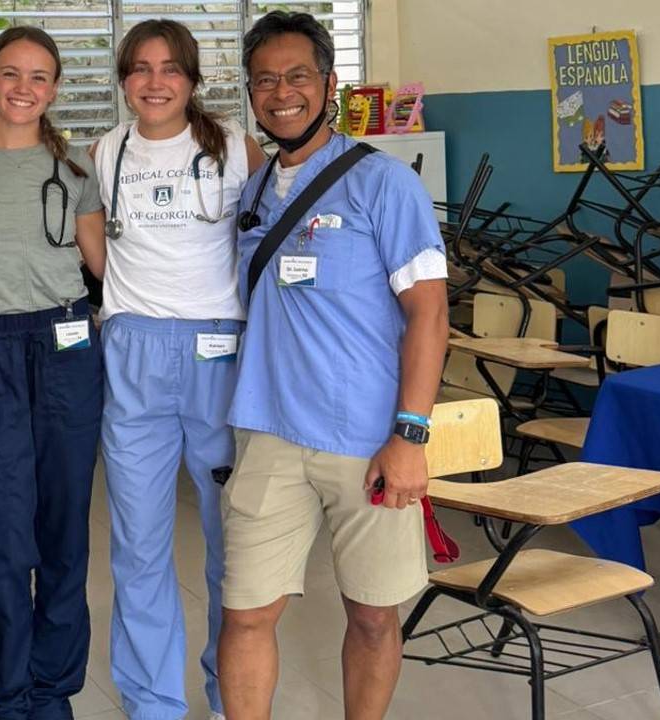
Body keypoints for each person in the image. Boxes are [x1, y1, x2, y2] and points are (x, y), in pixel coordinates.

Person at [217, 10, 449, 720]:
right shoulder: (253, 194)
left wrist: (410, 435)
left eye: (297, 76)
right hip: (269, 433)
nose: (281, 92)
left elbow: (430, 314)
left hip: (369, 439)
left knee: (376, 617)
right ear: (250, 93)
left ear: (329, 84)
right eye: (265, 80)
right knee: (246, 615)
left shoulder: (384, 184)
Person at [91, 18, 265, 720]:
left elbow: (263, 243)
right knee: (137, 547)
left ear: (193, 78)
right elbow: (93, 241)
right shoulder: (105, 151)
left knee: (233, 544)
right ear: (124, 79)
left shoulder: (235, 147)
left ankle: (230, 696)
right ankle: (152, 704)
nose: (155, 81)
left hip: (218, 353)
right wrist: (134, 308)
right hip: (134, 351)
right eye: (140, 67)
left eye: (170, 68)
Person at [0, 26, 106, 720]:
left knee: (65, 531)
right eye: (11, 74)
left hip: (66, 349)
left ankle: (51, 689)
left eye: (39, 77)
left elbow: (103, 270)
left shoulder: (78, 168)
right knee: (3, 544)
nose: (24, 89)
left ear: (55, 89)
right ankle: (8, 694)